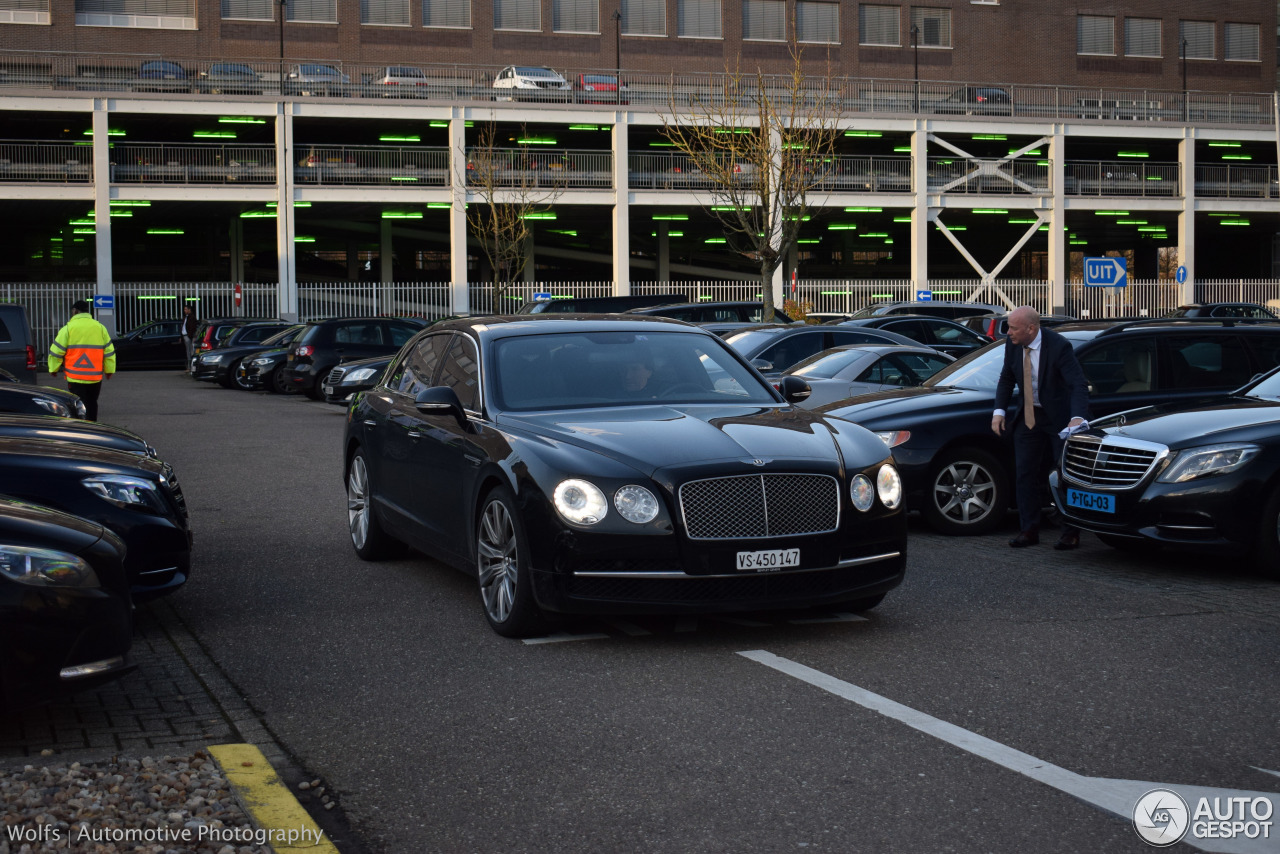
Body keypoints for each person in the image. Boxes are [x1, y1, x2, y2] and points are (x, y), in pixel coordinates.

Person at [991, 306, 1090, 550]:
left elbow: (1078, 384)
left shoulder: (1059, 346)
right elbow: (1007, 377)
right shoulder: (1012, 344)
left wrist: (1077, 417)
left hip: (1059, 418)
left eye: (1013, 328)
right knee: (1024, 472)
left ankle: (1070, 532)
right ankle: (1029, 529)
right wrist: (999, 411)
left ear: (1031, 328)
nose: (1008, 332)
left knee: (1064, 474)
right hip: (1028, 415)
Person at [48, 299, 115, 422]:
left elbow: (56, 351)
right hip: (95, 377)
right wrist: (109, 370)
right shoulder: (100, 328)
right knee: (92, 403)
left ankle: (80, 429)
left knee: (77, 405)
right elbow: (109, 352)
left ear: (75, 311)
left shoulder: (68, 328)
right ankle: (93, 427)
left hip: (75, 377)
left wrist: (53, 368)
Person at [181, 304, 198, 368]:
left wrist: (189, 335)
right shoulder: (186, 317)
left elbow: (192, 328)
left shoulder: (192, 318)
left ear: (189, 310)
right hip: (185, 335)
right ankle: (189, 366)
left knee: (189, 351)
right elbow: (183, 327)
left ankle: (190, 367)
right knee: (188, 351)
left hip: (188, 336)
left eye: (185, 309)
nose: (184, 310)